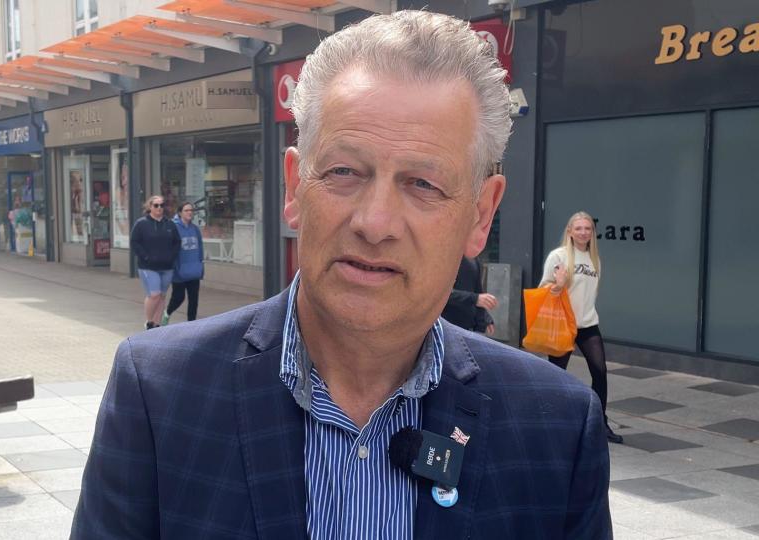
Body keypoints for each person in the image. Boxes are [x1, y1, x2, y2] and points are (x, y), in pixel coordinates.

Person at [73, 11, 611, 540]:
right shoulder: (160, 393)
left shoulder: (557, 429)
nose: (374, 224)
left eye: (423, 184)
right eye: (344, 172)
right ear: (293, 188)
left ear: (480, 215)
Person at [539, 211, 622, 445]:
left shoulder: (594, 258)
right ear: (570, 231)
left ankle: (599, 423)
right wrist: (559, 284)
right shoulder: (559, 256)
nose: (583, 232)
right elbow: (543, 289)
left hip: (587, 324)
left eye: (587, 228)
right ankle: (549, 421)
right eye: (579, 228)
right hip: (563, 323)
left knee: (600, 371)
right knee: (555, 375)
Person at [130, 195, 180, 330]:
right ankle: (149, 322)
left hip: (167, 267)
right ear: (150, 207)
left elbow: (177, 242)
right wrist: (145, 257)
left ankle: (157, 325)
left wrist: (172, 257)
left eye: (161, 205)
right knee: (154, 295)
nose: (159, 208)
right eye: (156, 205)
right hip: (148, 267)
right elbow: (134, 242)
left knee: (162, 296)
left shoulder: (169, 224)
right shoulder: (141, 224)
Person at [161, 202, 204, 325]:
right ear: (180, 213)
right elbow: (168, 248)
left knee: (194, 300)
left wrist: (200, 266)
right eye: (186, 210)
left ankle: (191, 324)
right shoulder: (173, 227)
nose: (190, 212)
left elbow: (200, 248)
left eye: (191, 210)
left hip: (194, 269)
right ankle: (167, 313)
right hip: (179, 270)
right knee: (178, 297)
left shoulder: (195, 229)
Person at [442, 256, 497, 335]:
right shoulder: (448, 257)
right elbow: (442, 294)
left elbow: (478, 293)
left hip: (469, 328)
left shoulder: (474, 260)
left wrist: (485, 318)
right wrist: (475, 299)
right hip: (448, 326)